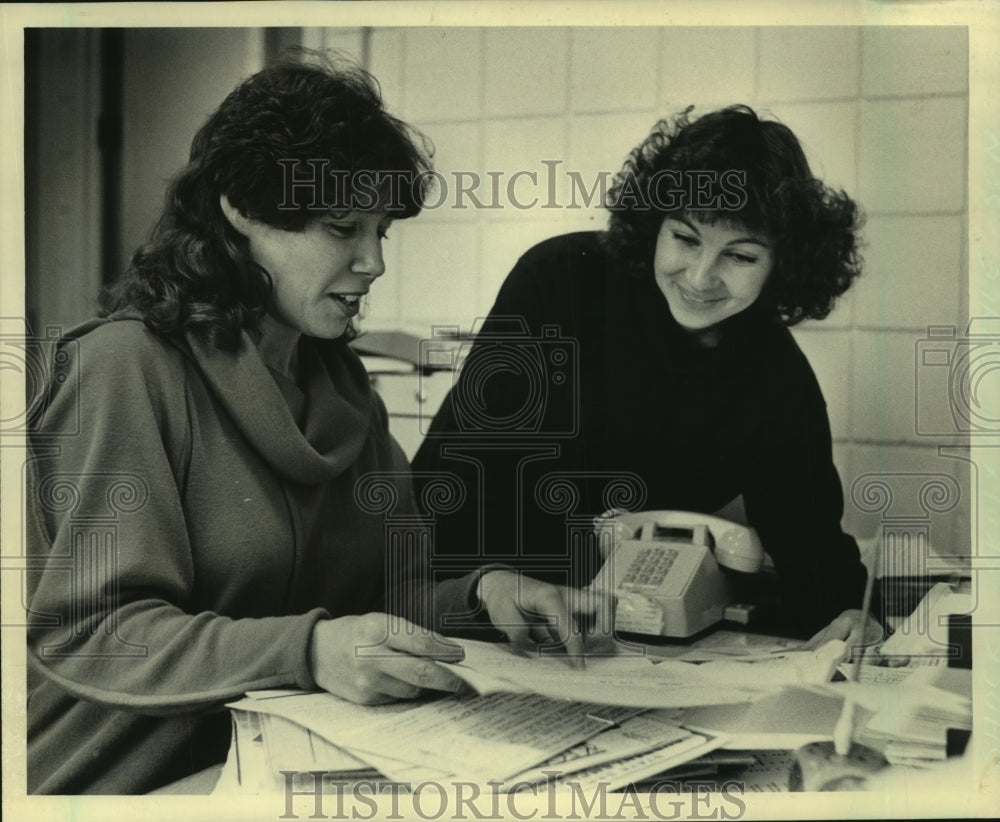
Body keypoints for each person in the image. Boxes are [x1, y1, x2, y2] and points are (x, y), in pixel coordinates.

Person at [24, 53, 583, 796]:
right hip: (124, 783)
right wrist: (310, 650)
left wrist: (481, 596)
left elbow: (381, 608)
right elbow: (92, 636)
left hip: (279, 766)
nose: (374, 261)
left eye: (383, 231)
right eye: (342, 227)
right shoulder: (125, 370)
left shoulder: (347, 390)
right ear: (240, 210)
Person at [413, 105, 874, 649]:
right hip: (464, 602)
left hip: (617, 637)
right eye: (684, 238)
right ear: (655, 224)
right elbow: (450, 485)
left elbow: (813, 544)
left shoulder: (774, 373)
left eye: (741, 256)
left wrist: (852, 615)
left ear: (783, 266)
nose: (701, 277)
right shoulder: (560, 280)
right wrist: (487, 590)